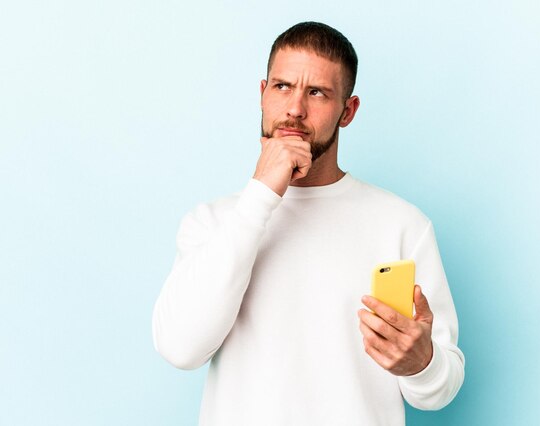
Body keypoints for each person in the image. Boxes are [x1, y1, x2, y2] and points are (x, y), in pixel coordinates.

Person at [152, 21, 465, 426]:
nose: (295, 109)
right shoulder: (213, 222)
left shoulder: (401, 225)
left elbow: (441, 387)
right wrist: (262, 193)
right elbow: (180, 348)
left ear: (347, 111)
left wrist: (423, 364)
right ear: (262, 94)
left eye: (316, 92)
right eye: (282, 87)